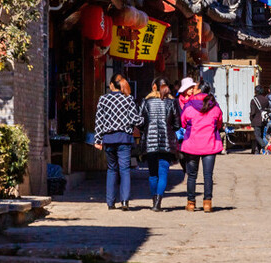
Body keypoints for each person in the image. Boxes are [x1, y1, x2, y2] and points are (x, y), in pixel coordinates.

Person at [93, 74, 142, 210]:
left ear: (111, 85)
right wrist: (144, 121)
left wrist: (98, 140)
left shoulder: (103, 99)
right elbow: (135, 119)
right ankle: (125, 201)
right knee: (125, 169)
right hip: (124, 139)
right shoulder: (128, 99)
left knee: (111, 169)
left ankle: (110, 202)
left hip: (108, 139)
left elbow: (99, 121)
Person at [180, 82, 223, 212]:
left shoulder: (188, 107)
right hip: (210, 145)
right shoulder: (215, 107)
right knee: (208, 175)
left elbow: (183, 123)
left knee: (192, 175)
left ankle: (191, 203)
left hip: (192, 145)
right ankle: (207, 203)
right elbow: (219, 123)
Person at [139, 77, 179, 211]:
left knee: (153, 174)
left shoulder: (146, 102)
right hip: (166, 143)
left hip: (150, 143)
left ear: (154, 87)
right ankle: (158, 202)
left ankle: (154, 201)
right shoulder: (172, 102)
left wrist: (146, 130)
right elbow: (177, 124)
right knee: (163, 173)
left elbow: (140, 122)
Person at [250, 86, 271, 154]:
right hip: (264, 120)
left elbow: (253, 112)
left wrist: (251, 119)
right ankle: (257, 151)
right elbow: (268, 109)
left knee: (257, 136)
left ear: (256, 91)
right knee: (260, 136)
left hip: (256, 120)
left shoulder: (253, 100)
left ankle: (265, 146)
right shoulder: (266, 99)